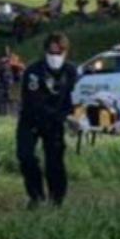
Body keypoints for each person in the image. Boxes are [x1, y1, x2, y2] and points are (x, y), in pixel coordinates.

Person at [16, 32, 78, 208]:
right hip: (32, 120)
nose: (55, 57)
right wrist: (63, 117)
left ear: (65, 53)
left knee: (55, 161)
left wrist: (74, 117)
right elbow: (33, 101)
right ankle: (36, 196)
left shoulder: (70, 71)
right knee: (25, 156)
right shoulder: (34, 72)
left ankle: (56, 199)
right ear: (45, 52)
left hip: (56, 123)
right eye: (51, 53)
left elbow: (73, 97)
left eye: (59, 53)